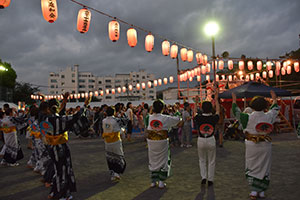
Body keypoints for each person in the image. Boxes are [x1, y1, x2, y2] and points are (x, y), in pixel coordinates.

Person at [232, 91, 279, 200]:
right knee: (265, 166)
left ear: (251, 106)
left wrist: (234, 100)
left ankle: (254, 191)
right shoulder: (269, 116)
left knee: (252, 165)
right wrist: (274, 99)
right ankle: (262, 191)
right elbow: (275, 109)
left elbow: (236, 112)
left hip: (252, 144)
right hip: (265, 145)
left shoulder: (247, 117)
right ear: (265, 106)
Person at [45, 93, 91, 200]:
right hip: (61, 147)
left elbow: (59, 112)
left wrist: (64, 100)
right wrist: (85, 105)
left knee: (57, 169)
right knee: (64, 169)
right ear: (56, 107)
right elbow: (76, 116)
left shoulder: (46, 120)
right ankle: (62, 193)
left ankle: (54, 191)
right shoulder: (61, 120)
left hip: (52, 147)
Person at [146, 99, 182, 189]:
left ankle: (153, 181)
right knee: (163, 159)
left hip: (151, 141)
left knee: (153, 159)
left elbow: (147, 125)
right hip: (162, 141)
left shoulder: (148, 117)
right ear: (162, 108)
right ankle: (161, 181)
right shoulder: (165, 118)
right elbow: (178, 120)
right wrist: (176, 111)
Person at [194, 93, 220, 186]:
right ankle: (210, 179)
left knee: (202, 159)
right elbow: (218, 111)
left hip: (201, 139)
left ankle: (203, 177)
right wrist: (216, 100)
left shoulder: (199, 118)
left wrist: (196, 102)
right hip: (210, 139)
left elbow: (194, 113)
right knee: (211, 160)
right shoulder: (213, 118)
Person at [102, 106, 126, 181]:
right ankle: (117, 172)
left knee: (110, 157)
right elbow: (124, 125)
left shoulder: (104, 120)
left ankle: (113, 173)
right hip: (115, 141)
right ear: (114, 112)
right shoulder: (116, 120)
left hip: (107, 141)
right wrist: (123, 130)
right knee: (118, 156)